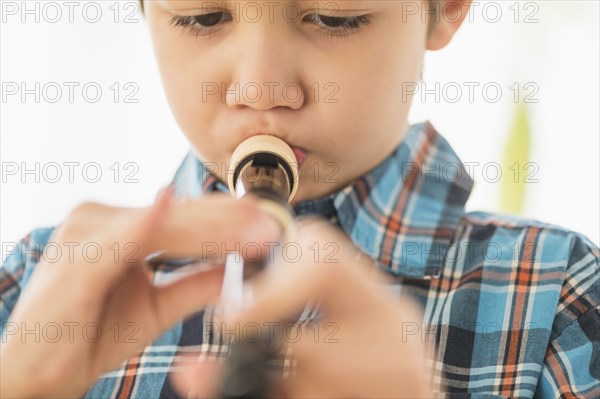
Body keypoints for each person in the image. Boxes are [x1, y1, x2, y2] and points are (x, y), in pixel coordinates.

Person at [1, 1, 598, 398]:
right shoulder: (32, 283)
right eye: (201, 15)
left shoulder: (561, 295)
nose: (261, 87)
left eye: (334, 17)